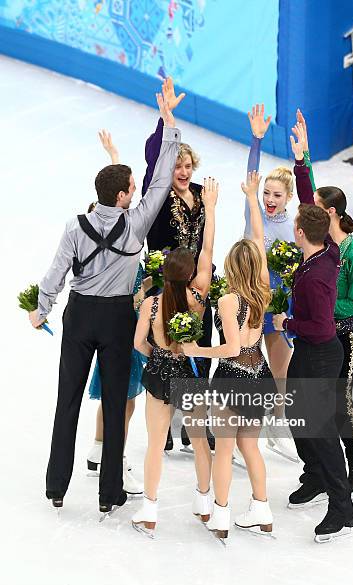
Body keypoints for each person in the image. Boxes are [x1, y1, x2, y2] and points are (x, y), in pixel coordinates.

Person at [29, 94, 180, 514]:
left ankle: (56, 487)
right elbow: (162, 183)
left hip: (79, 316)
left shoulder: (75, 225)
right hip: (116, 318)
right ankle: (108, 493)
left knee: (68, 402)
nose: (136, 191)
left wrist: (41, 309)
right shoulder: (134, 225)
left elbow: (55, 275)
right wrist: (169, 128)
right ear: (120, 197)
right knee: (115, 407)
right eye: (131, 188)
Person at [272, 126, 353, 543]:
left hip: (321, 350)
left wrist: (284, 324)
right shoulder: (328, 246)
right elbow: (311, 206)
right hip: (313, 351)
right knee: (296, 416)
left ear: (300, 234)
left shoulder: (315, 279)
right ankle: (317, 477)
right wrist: (302, 161)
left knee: (319, 429)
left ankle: (343, 509)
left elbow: (321, 326)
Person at [183, 171, 275, 542]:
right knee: (249, 446)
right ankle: (262, 508)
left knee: (224, 450)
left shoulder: (228, 300)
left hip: (233, 380)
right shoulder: (264, 289)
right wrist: (252, 199)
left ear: (232, 268)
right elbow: (258, 240)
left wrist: (197, 349)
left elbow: (232, 348)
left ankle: (220, 516)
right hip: (262, 376)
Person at [131, 178, 218, 537]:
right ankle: (204, 503)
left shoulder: (151, 303)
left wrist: (160, 355)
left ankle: (150, 510)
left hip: (160, 373)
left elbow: (139, 344)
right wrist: (210, 209)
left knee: (155, 443)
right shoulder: (198, 298)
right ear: (191, 274)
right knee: (199, 439)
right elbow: (209, 250)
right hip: (191, 372)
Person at [291, 119, 353, 499]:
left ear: (333, 214)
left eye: (319, 210)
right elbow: (308, 199)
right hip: (318, 332)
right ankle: (321, 469)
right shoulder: (324, 241)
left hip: (343, 331)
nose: (310, 212)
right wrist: (303, 159)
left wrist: (322, 306)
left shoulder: (350, 253)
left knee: (340, 399)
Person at [142, 77, 214, 452]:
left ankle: (194, 421)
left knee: (202, 344)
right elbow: (155, 156)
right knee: (168, 349)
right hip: (168, 284)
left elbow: (206, 240)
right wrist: (165, 119)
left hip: (199, 286)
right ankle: (164, 419)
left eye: (187, 165)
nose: (182, 171)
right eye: (176, 166)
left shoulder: (203, 194)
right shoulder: (156, 198)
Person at [244, 105, 316, 462]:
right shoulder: (253, 212)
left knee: (281, 368)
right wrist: (256, 141)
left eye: (276, 195)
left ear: (287, 198)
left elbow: (310, 197)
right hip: (248, 300)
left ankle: (277, 427)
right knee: (241, 363)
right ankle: (231, 431)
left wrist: (303, 157)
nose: (269, 200)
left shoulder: (296, 224)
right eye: (266, 193)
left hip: (280, 305)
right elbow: (251, 177)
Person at [85, 131, 147, 495]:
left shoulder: (104, 217)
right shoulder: (121, 229)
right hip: (124, 322)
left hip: (111, 319)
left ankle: (98, 449)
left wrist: (112, 155)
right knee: (124, 399)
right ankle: (116, 459)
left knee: (116, 393)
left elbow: (113, 192)